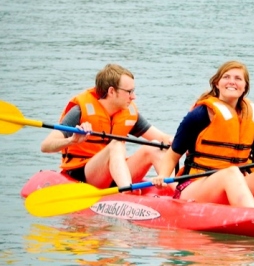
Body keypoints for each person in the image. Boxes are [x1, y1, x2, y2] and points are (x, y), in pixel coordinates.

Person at [152, 60, 254, 209]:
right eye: (226, 77)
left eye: (238, 78)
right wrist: (162, 176)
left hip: (236, 186)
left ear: (244, 87)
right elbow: (173, 155)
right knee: (231, 173)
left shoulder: (252, 117)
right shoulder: (200, 114)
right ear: (217, 83)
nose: (232, 82)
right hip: (195, 187)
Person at [41, 64, 173, 189]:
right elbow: (46, 146)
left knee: (154, 146)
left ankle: (177, 191)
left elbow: (162, 138)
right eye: (129, 91)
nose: (134, 97)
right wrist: (72, 140)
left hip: (114, 174)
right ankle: (126, 191)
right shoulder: (80, 111)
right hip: (84, 173)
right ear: (111, 91)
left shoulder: (128, 113)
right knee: (116, 145)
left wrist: (179, 141)